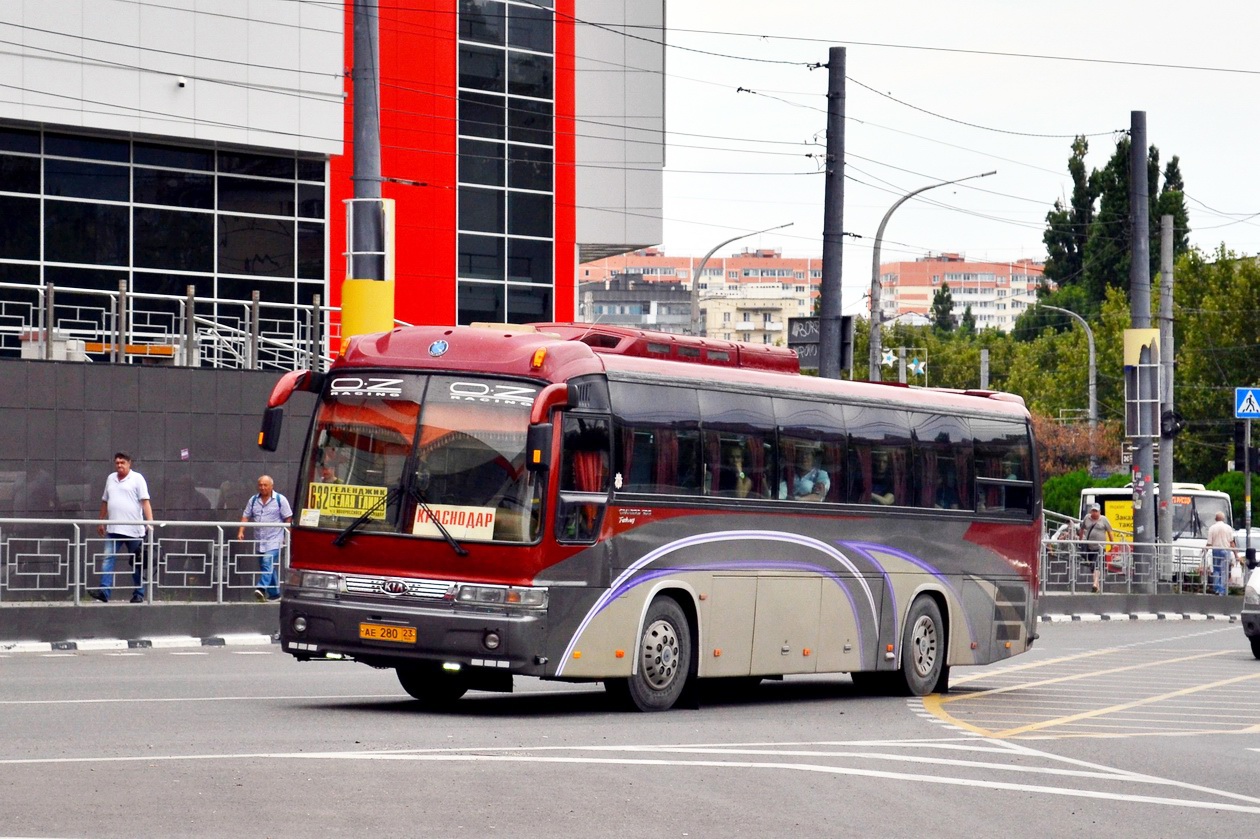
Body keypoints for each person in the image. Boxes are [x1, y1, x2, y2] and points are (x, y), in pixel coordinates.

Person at [91, 452, 154, 604]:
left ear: (129, 463)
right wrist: (101, 521)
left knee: (137, 563)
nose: (119, 465)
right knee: (107, 559)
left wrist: (150, 522)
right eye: (117, 463)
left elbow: (145, 502)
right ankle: (104, 592)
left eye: (122, 462)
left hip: (134, 531)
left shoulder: (137, 478)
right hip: (113, 530)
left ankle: (139, 594)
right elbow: (105, 501)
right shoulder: (111, 478)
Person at [237, 475, 293, 602]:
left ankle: (261, 588)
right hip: (260, 540)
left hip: (275, 539)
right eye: (260, 485)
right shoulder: (253, 500)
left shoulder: (280, 499)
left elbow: (288, 517)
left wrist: (286, 535)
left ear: (271, 486)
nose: (262, 488)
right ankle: (275, 594)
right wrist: (241, 531)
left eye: (265, 485)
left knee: (267, 561)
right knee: (267, 566)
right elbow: (246, 515)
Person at [1078, 503, 1114, 593]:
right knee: (1092, 566)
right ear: (1091, 511)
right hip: (1089, 547)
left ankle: (1094, 583)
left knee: (1097, 565)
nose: (1094, 513)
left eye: (1096, 511)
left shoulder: (1104, 519)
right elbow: (1082, 529)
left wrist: (1112, 545)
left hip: (1100, 547)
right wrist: (1080, 540)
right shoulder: (1087, 518)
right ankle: (1097, 587)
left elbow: (1110, 532)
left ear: (1099, 512)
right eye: (1093, 511)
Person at [1205, 510, 1237, 596]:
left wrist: (1205, 551)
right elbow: (1231, 542)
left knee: (1216, 570)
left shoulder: (1212, 528)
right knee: (1224, 570)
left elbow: (1209, 543)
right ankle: (1222, 590)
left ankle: (1216, 588)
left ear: (1216, 518)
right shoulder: (1228, 528)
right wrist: (1236, 554)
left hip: (1216, 550)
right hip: (1226, 550)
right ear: (1223, 519)